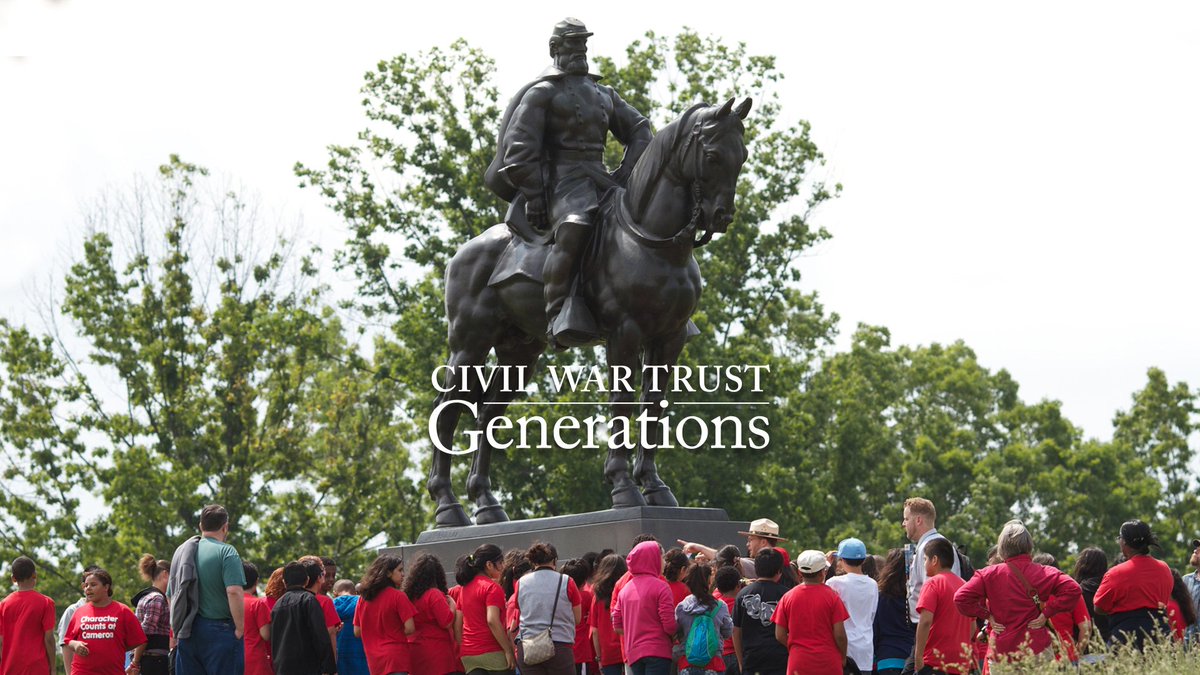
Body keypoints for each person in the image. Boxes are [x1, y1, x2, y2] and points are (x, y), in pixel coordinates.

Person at [484, 17, 652, 346]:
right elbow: (519, 151)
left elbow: (640, 129)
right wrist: (534, 195)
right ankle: (558, 311)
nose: (580, 51)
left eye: (583, 44)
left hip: (601, 181)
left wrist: (625, 172)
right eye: (572, 44)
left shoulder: (605, 94)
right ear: (554, 49)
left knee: (643, 224)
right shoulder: (542, 94)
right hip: (560, 184)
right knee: (577, 225)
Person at [954, 520, 1081, 665]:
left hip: (1001, 653)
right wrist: (1047, 613)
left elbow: (960, 598)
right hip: (1037, 649)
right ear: (1029, 546)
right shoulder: (1044, 572)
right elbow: (1074, 589)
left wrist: (987, 616)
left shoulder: (988, 574)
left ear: (1001, 548)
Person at [169, 504, 246, 675]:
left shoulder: (181, 553)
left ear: (201, 526)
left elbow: (171, 596)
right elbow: (234, 591)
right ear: (225, 527)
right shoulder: (227, 552)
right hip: (220, 630)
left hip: (186, 629)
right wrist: (240, 628)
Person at [1093, 519, 1174, 650]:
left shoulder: (1116, 572)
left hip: (1127, 637)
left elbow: (1099, 607)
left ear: (1124, 541)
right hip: (1161, 635)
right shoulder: (1164, 568)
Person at [771, 550, 849, 675]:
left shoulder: (787, 597)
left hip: (798, 662)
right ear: (822, 573)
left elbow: (779, 635)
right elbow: (840, 635)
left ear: (799, 572)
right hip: (829, 662)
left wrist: (796, 647)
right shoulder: (833, 597)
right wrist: (843, 657)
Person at [512, 543, 582, 675]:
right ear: (555, 560)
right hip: (559, 647)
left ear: (533, 562)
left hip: (528, 648)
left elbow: (519, 611)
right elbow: (577, 619)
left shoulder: (521, 583)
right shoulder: (566, 581)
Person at [63, 568, 148, 675]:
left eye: (93, 585)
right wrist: (75, 645)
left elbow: (140, 640)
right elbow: (68, 640)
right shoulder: (79, 612)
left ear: (106, 587)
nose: (88, 588)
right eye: (86, 585)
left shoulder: (122, 610)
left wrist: (117, 647)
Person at [611, 540, 677, 675]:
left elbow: (617, 625)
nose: (664, 562)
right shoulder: (661, 587)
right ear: (653, 559)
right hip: (658, 651)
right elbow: (669, 625)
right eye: (662, 558)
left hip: (633, 653)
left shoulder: (625, 589)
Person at [913, 539, 972, 675]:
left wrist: (918, 658)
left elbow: (925, 621)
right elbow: (972, 627)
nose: (924, 563)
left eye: (925, 559)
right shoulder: (965, 585)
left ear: (934, 560)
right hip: (960, 664)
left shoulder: (932, 584)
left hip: (935, 661)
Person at [455, 544, 515, 675]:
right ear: (489, 565)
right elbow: (492, 620)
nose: (503, 566)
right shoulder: (492, 588)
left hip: (468, 656)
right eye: (500, 562)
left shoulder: (463, 589)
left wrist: (465, 647)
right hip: (492, 652)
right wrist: (508, 650)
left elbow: (457, 626)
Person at [902, 499, 961, 627]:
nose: (903, 524)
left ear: (918, 520)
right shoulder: (941, 543)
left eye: (906, 519)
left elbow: (932, 597)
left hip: (932, 627)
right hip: (941, 624)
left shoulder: (929, 548)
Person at [353, 555, 416, 675]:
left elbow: (357, 631)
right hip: (396, 659)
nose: (403, 574)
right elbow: (410, 628)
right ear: (388, 573)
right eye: (400, 570)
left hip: (374, 661)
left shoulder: (363, 599)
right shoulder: (398, 596)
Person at [271, 561, 336, 675]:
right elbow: (320, 635)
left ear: (284, 582)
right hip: (307, 666)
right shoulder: (308, 600)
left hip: (282, 667)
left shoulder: (277, 604)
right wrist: (329, 668)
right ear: (306, 580)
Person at [732, 548, 788, 675]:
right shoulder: (787, 595)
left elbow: (736, 631)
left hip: (751, 660)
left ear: (756, 568)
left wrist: (741, 662)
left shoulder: (743, 594)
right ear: (779, 571)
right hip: (780, 660)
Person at [825, 538, 877, 674]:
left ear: (841, 559)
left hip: (841, 648)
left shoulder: (834, 583)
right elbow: (872, 615)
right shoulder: (873, 584)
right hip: (865, 649)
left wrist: (827, 564)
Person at [402, 554, 459, 675]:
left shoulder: (409, 596)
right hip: (436, 652)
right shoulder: (434, 594)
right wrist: (453, 605)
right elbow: (446, 622)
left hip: (414, 649)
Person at [0, 555, 57, 675]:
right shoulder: (46, 602)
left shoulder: (3, 605)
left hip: (9, 668)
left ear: (13, 579)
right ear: (34, 575)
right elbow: (49, 639)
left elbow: (1, 641)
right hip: (37, 668)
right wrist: (53, 668)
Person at [1031, 553, 1090, 665]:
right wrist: (1077, 653)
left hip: (1038, 659)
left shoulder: (1027, 596)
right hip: (1067, 657)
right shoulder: (1072, 593)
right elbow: (1086, 628)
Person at [674, 563, 733, 675]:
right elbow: (728, 632)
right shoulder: (720, 607)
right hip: (713, 664)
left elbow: (676, 632)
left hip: (687, 663)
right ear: (709, 582)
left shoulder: (682, 607)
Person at [680, 519, 788, 579]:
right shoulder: (783, 564)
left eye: (751, 540)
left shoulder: (760, 565)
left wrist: (699, 547)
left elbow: (728, 558)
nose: (747, 544)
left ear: (763, 542)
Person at [872, 549, 913, 675]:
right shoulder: (915, 597)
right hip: (912, 659)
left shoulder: (880, 596)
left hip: (886, 658)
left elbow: (875, 629)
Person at [131, 555, 171, 675]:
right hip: (153, 660)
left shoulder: (147, 596)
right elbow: (145, 632)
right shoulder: (157, 599)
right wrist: (135, 662)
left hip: (150, 659)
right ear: (165, 574)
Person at [298, 555, 343, 663]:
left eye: (334, 575)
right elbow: (330, 633)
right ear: (318, 576)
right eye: (327, 575)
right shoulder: (324, 601)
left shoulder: (295, 598)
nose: (331, 579)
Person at [59, 565, 102, 674]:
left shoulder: (110, 610)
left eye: (95, 584)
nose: (90, 587)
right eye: (88, 584)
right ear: (83, 586)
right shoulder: (72, 611)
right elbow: (65, 644)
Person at [588, 554, 627, 675]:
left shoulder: (597, 597)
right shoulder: (627, 592)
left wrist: (599, 658)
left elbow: (594, 631)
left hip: (608, 654)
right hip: (627, 649)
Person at [559, 558, 597, 674]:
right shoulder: (587, 596)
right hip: (581, 651)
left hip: (562, 649)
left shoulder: (560, 596)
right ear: (584, 580)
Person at [1072, 546, 1110, 643]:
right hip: (1111, 645)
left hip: (1085, 646)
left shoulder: (1077, 592)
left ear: (1081, 566)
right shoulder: (1111, 588)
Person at [241, 563, 273, 675]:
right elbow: (265, 635)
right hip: (255, 658)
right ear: (256, 581)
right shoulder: (258, 603)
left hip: (234, 655)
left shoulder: (228, 603)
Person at [331, 579, 368, 675]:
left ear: (334, 593)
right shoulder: (362, 603)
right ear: (355, 592)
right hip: (362, 658)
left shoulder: (331, 605)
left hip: (338, 660)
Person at [713, 566, 742, 675]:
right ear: (738, 585)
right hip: (737, 654)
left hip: (719, 654)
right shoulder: (742, 604)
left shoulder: (715, 605)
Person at [1182, 537, 1200, 643]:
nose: (1195, 550)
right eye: (1196, 547)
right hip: (1187, 644)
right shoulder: (1185, 580)